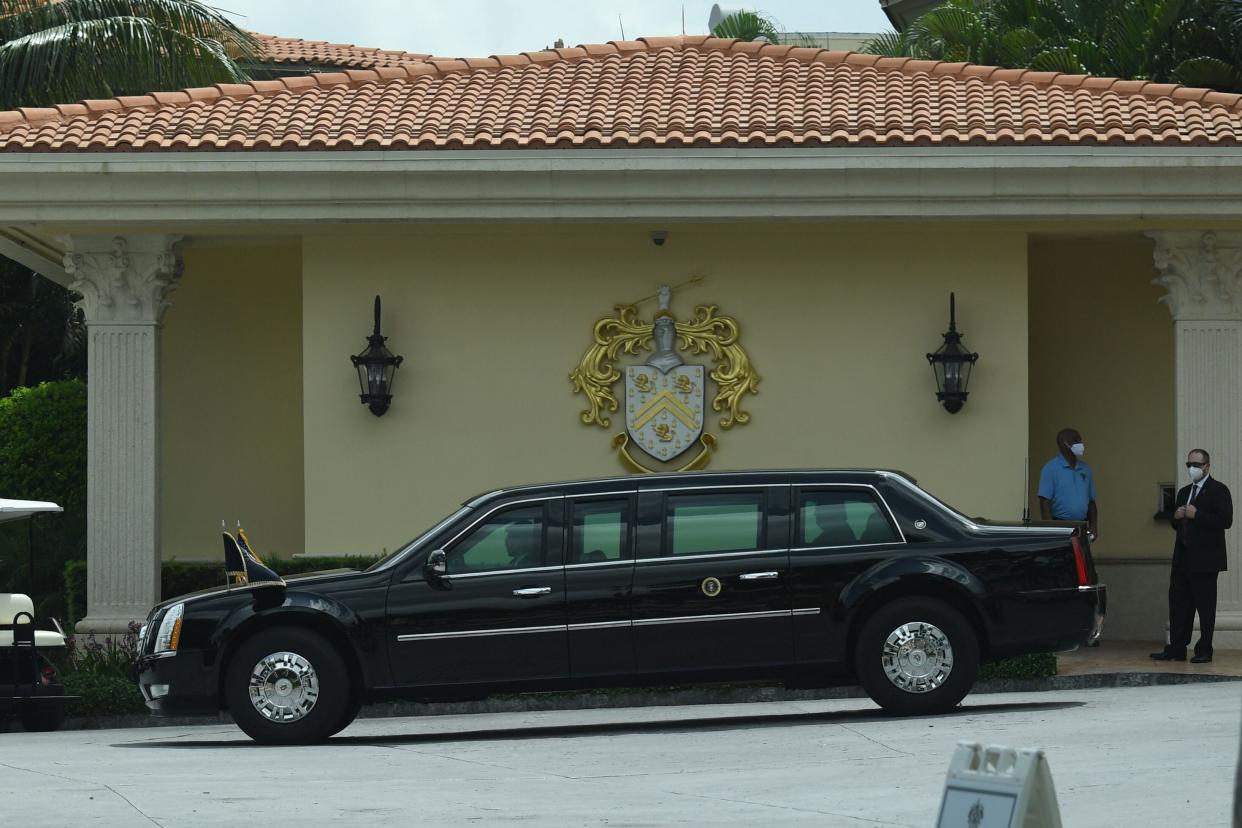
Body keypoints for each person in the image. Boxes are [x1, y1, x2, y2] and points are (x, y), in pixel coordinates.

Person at [1152, 449, 1233, 664]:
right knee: (1178, 603)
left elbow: (1225, 520)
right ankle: (1176, 648)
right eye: (1189, 464)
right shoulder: (1184, 492)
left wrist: (1198, 515)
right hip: (1183, 558)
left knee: (1205, 607)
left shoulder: (1218, 490)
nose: (1192, 468)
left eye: (1196, 464)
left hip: (1206, 560)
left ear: (1207, 466)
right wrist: (1176, 517)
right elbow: (1176, 523)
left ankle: (1204, 649)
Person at [1037, 428, 1098, 541]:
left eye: (1080, 440)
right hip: (1060, 526)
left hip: (1082, 526)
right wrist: (1051, 531)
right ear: (1065, 444)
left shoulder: (1086, 469)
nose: (1081, 443)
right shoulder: (1050, 469)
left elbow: (1091, 502)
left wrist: (1094, 526)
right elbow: (1044, 502)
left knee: (1081, 558)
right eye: (1076, 440)